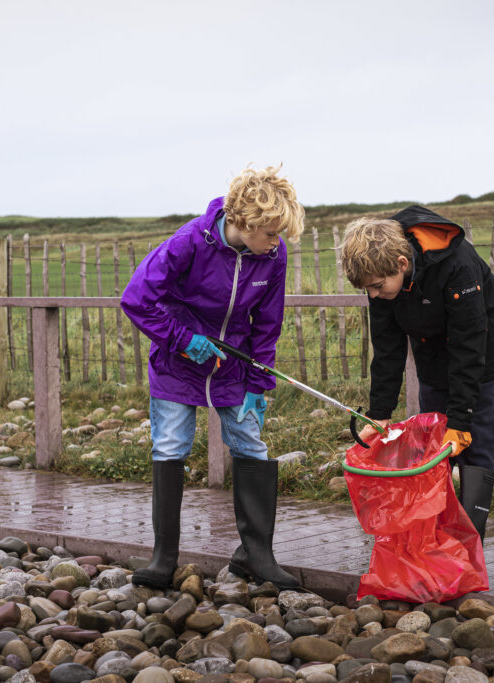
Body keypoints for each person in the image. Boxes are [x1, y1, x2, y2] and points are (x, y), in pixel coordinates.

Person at [121, 165, 305, 590]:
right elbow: (137, 298)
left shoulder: (271, 257)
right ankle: (163, 559)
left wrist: (258, 385)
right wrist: (184, 340)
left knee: (251, 446)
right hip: (178, 363)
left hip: (233, 369)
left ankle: (255, 555)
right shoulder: (189, 242)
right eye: (272, 234)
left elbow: (267, 324)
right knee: (170, 446)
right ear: (245, 222)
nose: (277, 244)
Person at [340, 206, 494, 539]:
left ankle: (469, 543)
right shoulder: (381, 281)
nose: (374, 295)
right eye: (368, 291)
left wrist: (462, 420)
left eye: (376, 287)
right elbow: (387, 349)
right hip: (432, 360)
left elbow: (468, 346)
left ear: (401, 264)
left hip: (482, 358)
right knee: (432, 452)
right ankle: (434, 538)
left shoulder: (456, 265)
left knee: (476, 450)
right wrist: (380, 413)